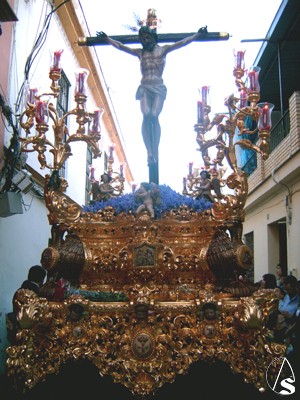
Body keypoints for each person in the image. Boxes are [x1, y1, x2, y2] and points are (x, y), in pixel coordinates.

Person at [96, 26, 208, 165]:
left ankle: (155, 150)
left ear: (153, 37)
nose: (145, 40)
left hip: (158, 87)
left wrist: (197, 35)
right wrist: (107, 39)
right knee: (146, 114)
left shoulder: (163, 50)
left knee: (154, 115)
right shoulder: (140, 53)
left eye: (147, 37)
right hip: (144, 87)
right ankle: (149, 151)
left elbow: (182, 42)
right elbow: (121, 46)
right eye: (142, 39)